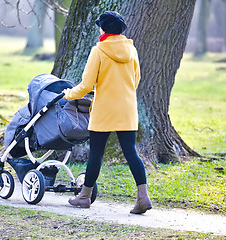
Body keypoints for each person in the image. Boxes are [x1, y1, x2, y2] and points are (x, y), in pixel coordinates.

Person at [63, 11, 152, 214]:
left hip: (104, 110)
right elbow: (136, 80)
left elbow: (86, 85)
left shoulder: (99, 50)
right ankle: (143, 197)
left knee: (96, 154)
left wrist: (68, 94)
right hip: (127, 109)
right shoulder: (132, 50)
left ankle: (84, 197)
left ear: (104, 29)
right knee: (131, 153)